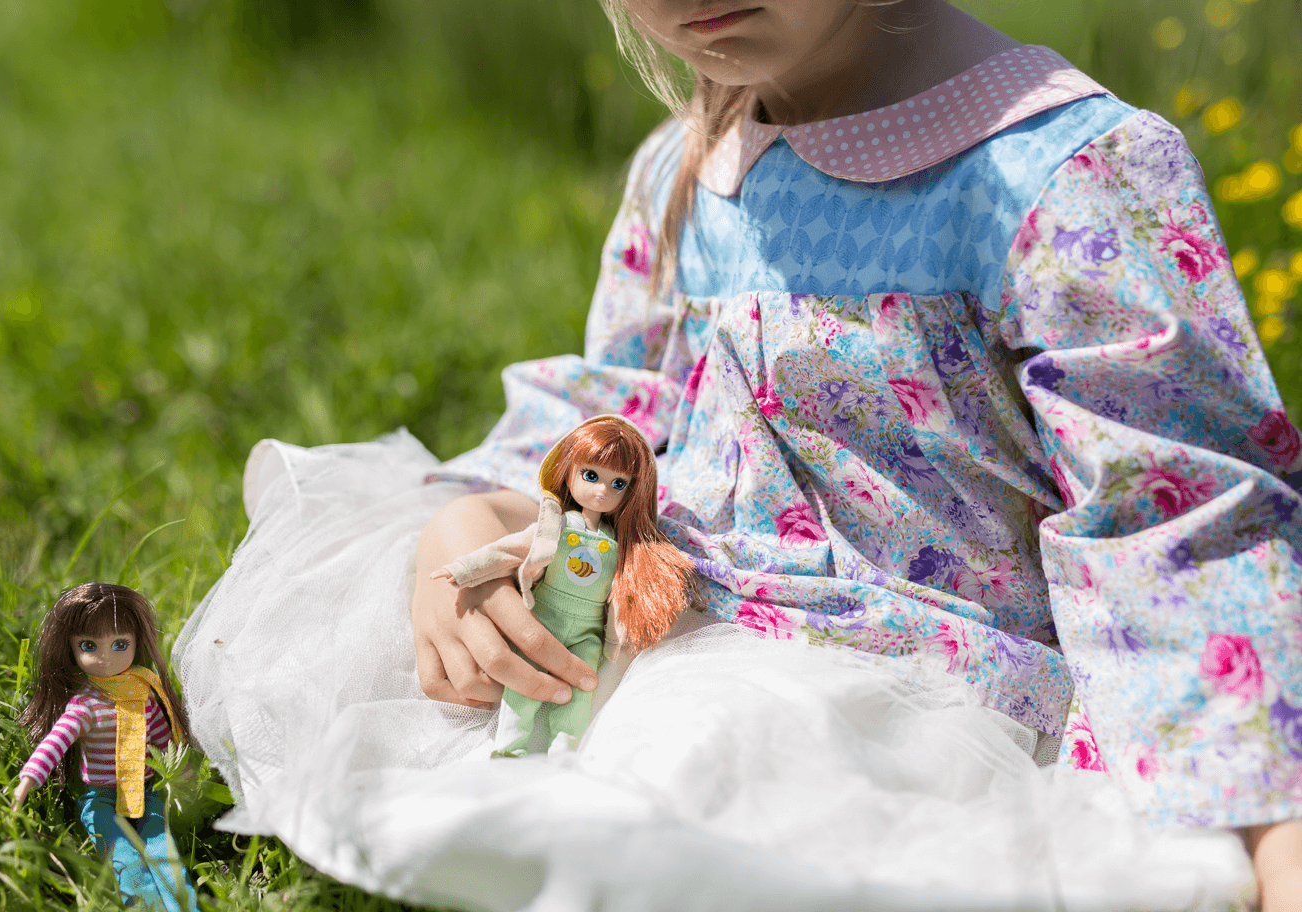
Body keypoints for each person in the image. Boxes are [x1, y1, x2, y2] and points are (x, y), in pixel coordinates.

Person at [177, 1, 1302, 909]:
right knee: (413, 629)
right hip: (678, 606)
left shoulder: (1068, 177)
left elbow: (1173, 522)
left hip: (920, 683)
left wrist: (1270, 822)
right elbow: (627, 406)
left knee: (716, 753)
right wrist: (470, 520)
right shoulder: (691, 158)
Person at [431, 415, 693, 756]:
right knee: (524, 685)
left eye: (618, 484)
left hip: (587, 632)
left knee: (582, 690)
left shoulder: (620, 543)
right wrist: (464, 569)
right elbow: (510, 550)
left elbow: (619, 594)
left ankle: (564, 748)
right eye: (591, 476)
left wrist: (617, 638)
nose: (602, 490)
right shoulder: (556, 526)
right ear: (568, 471)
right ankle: (510, 745)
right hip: (546, 617)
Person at [16, 583, 198, 912]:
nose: (104, 657)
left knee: (163, 853)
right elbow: (55, 742)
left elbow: (161, 739)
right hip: (101, 800)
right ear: (70, 648)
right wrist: (29, 778)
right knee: (125, 861)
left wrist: (182, 772)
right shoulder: (84, 706)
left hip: (146, 791)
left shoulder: (143, 693)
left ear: (135, 642)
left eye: (119, 644)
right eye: (89, 645)